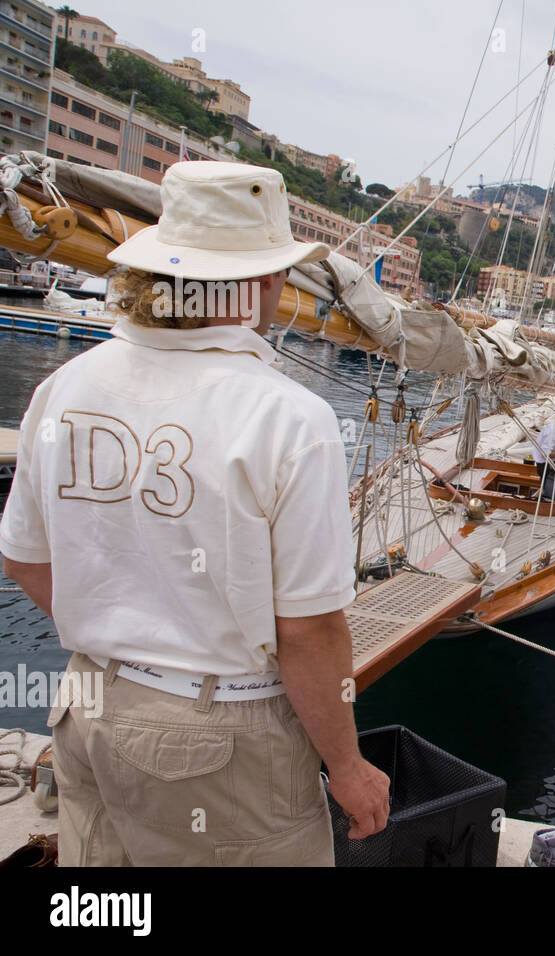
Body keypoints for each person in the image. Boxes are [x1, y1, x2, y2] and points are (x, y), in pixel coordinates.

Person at [0, 162, 390, 865]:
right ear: (263, 281)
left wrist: (123, 633)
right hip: (216, 741)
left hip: (87, 705)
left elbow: (25, 558)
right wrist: (348, 766)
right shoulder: (288, 417)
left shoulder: (63, 388)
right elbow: (307, 631)